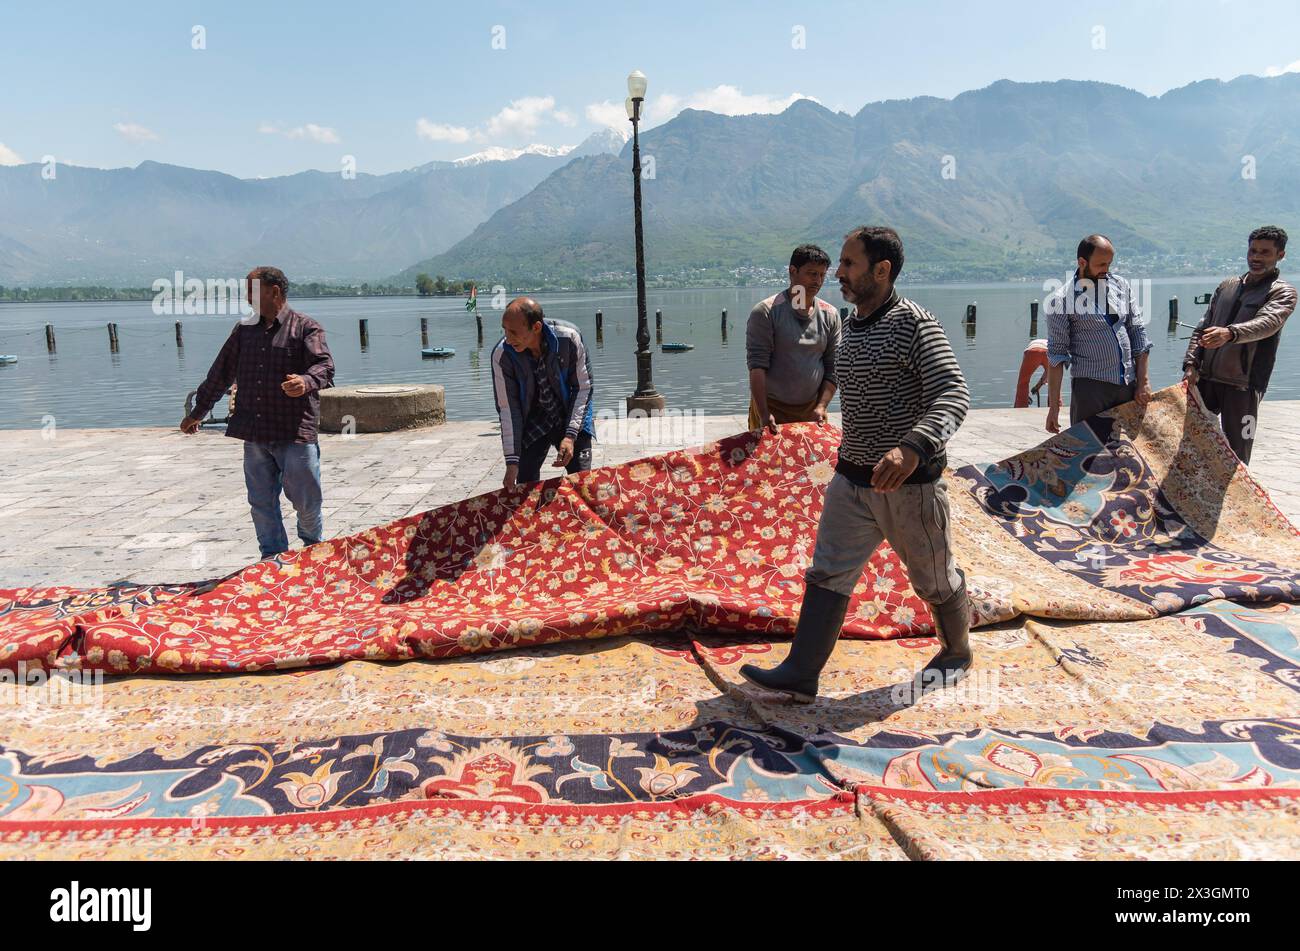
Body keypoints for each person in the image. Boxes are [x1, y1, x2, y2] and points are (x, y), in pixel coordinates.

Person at [739, 227, 973, 703]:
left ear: (881, 271)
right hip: (851, 479)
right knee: (827, 571)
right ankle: (802, 670)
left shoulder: (914, 323)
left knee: (933, 577)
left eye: (848, 265)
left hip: (910, 487)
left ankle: (956, 652)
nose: (838, 274)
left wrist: (912, 448)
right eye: (839, 265)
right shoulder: (852, 325)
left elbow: (954, 394)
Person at [180, 266, 335, 560]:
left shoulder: (306, 327)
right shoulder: (244, 331)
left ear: (273, 292)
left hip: (294, 431)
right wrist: (198, 412)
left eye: (251, 291)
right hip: (255, 430)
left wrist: (305, 382)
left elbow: (325, 366)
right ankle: (272, 557)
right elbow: (220, 373)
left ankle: (312, 546)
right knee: (261, 501)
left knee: (306, 500)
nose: (246, 297)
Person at [1183, 226, 1296, 465]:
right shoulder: (1227, 286)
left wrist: (1230, 333)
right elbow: (1202, 326)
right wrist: (1191, 363)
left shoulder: (1283, 292)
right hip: (1206, 381)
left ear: (1280, 255)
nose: (1256, 257)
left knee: (1238, 454)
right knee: (1193, 446)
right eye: (1253, 251)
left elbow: (1268, 323)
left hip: (1244, 386)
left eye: (1265, 252)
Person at [1045, 234, 1153, 433]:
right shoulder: (1060, 300)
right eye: (1101, 264)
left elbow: (1137, 332)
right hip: (1090, 390)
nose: (1106, 270)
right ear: (1082, 262)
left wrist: (1143, 381)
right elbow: (1056, 356)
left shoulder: (1120, 285)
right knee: (1092, 453)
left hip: (1127, 385)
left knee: (1128, 455)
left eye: (1109, 264)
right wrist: (1054, 407)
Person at [491, 297, 595, 488]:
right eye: (504, 330)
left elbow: (583, 388)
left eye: (513, 332)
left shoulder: (569, 339)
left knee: (583, 482)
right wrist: (511, 462)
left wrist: (570, 436)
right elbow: (507, 409)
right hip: (532, 420)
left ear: (536, 327)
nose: (508, 338)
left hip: (569, 413)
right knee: (525, 485)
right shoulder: (502, 355)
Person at [746, 244, 841, 432]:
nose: (817, 281)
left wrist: (821, 406)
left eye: (822, 275)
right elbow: (757, 366)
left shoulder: (829, 314)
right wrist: (764, 413)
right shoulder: (766, 311)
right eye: (811, 273)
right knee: (768, 462)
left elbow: (834, 367)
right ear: (792, 271)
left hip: (812, 410)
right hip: (771, 408)